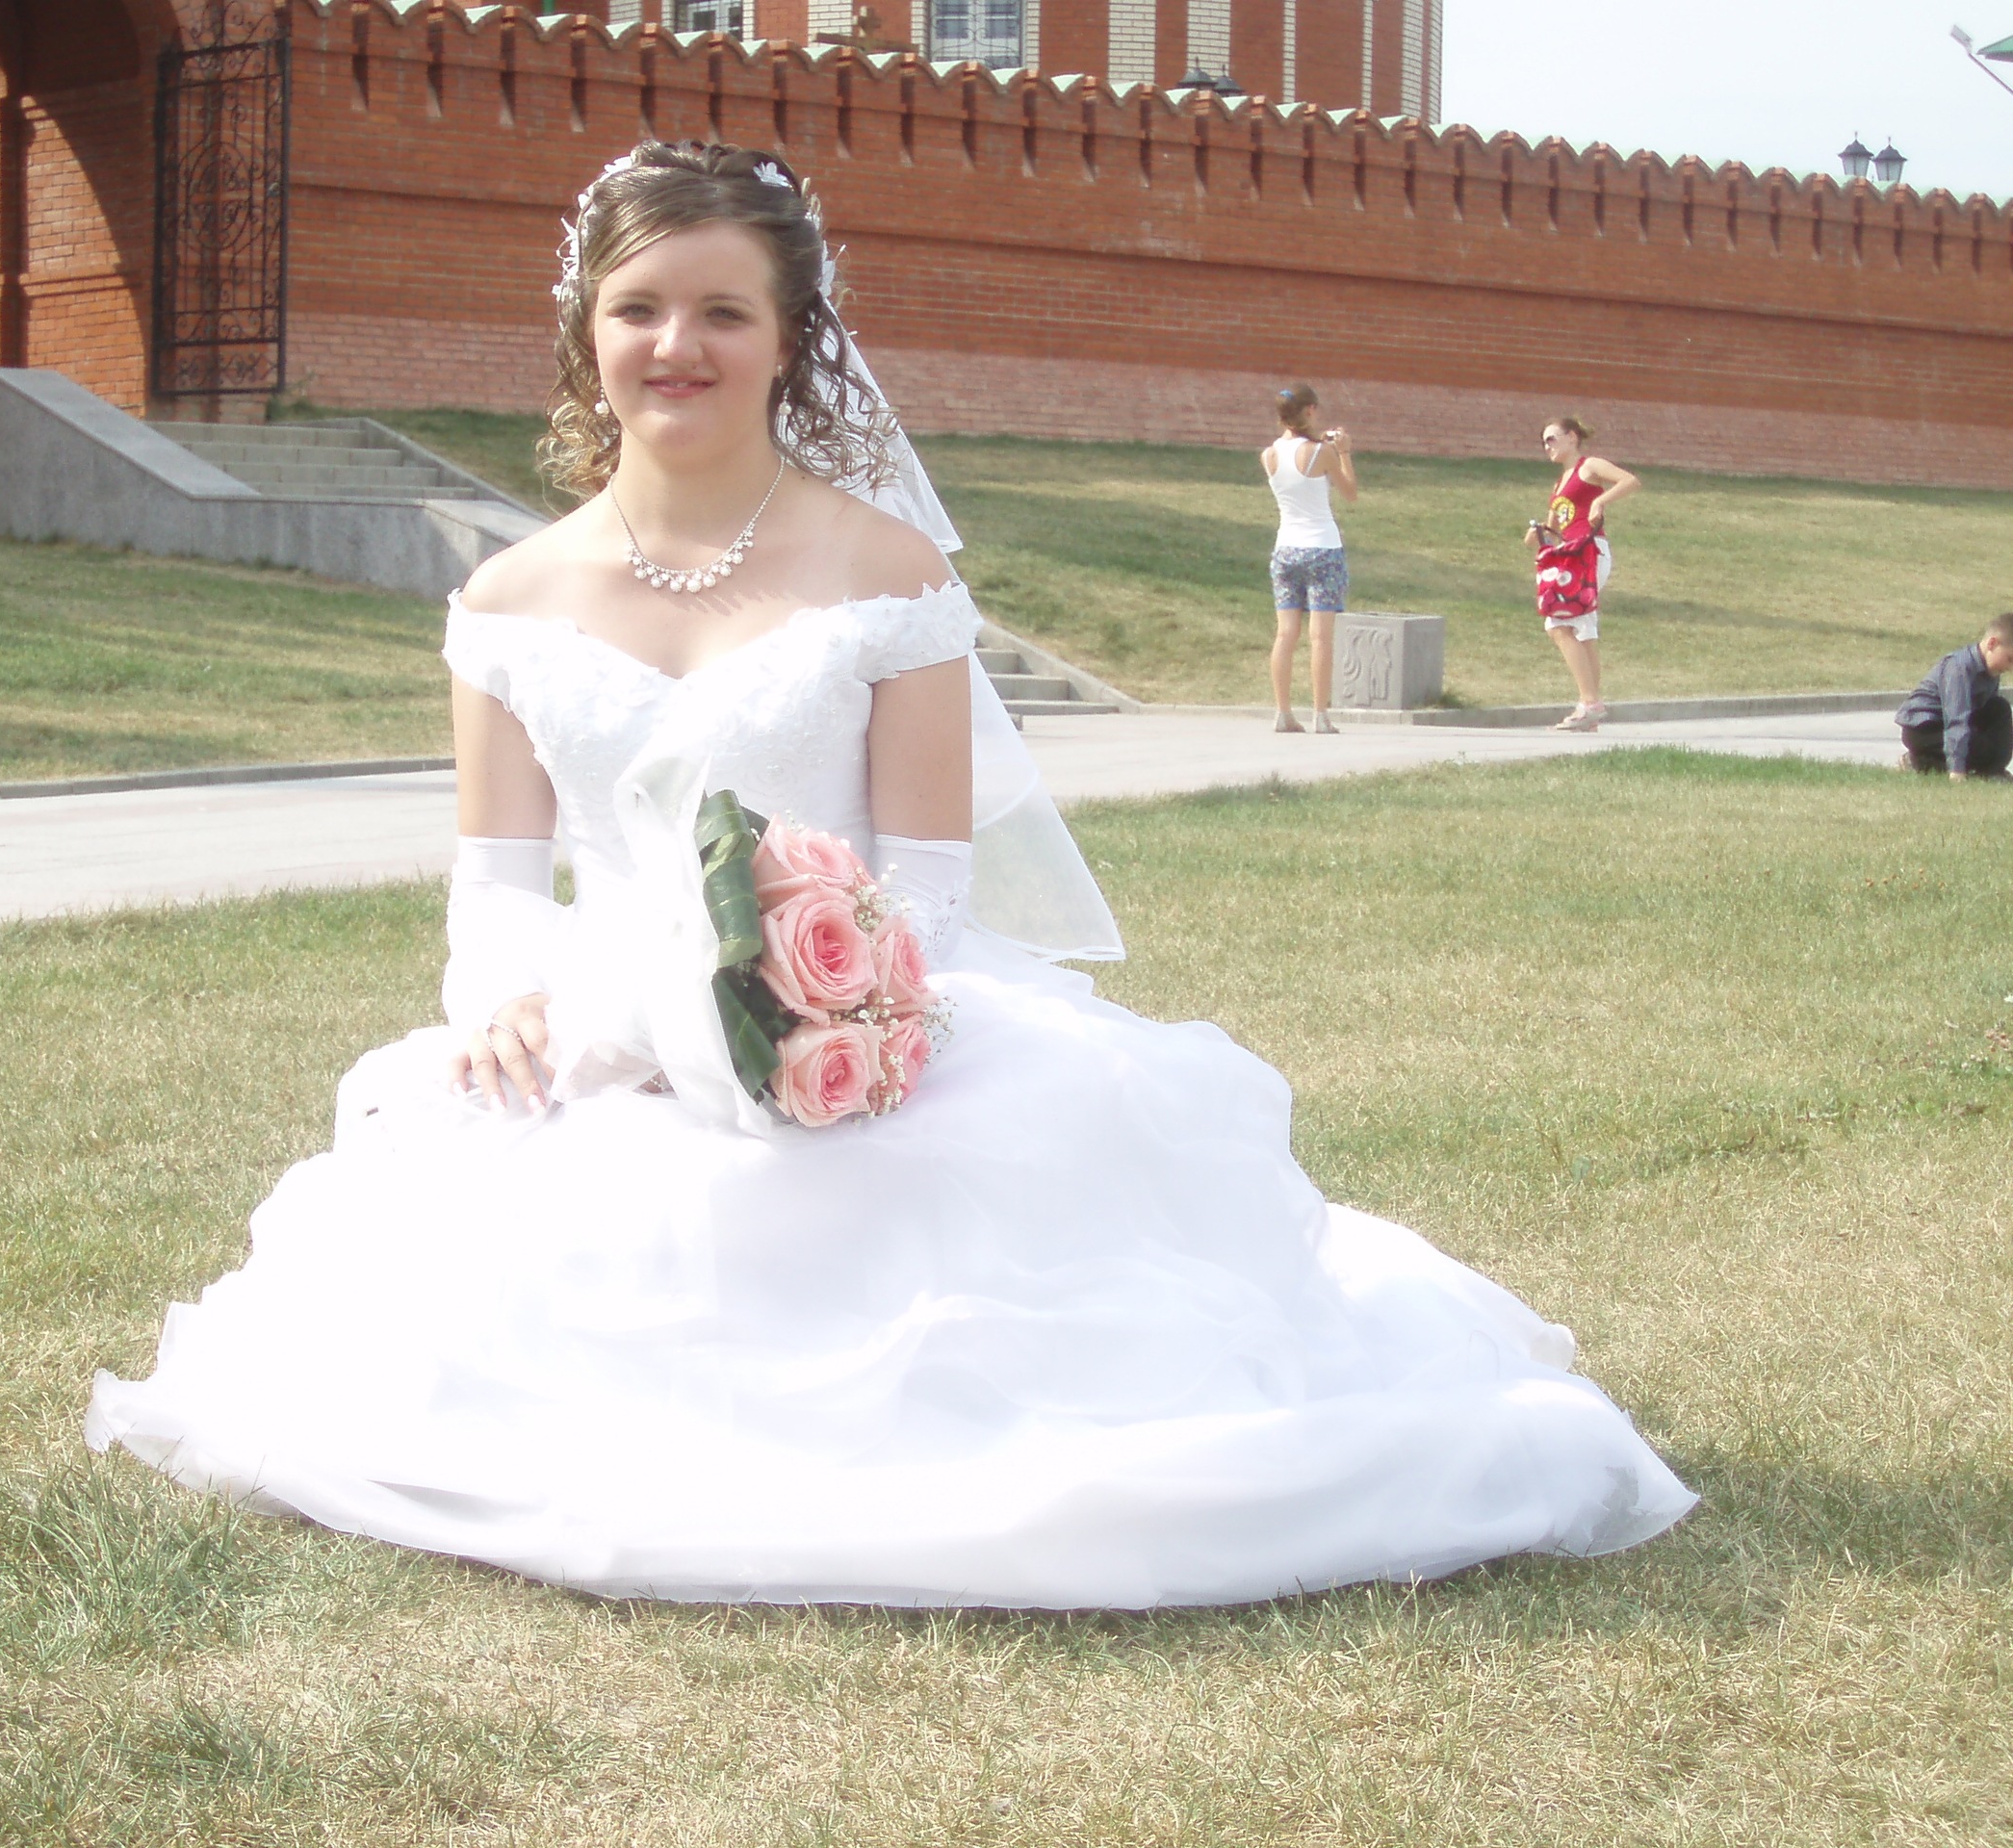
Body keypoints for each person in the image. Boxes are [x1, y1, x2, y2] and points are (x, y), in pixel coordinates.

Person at [88, 141, 1694, 1609]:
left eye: (723, 311)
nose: (676, 346)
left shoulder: (886, 572)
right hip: (590, 1033)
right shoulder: (509, 598)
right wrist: (516, 1007)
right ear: (587, 331)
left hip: (858, 1014)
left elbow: (924, 889)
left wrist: (760, 1017)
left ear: (792, 338)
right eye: (639, 308)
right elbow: (498, 886)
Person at [1525, 416, 1641, 732]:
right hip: (1571, 556)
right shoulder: (1559, 483)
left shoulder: (1589, 466)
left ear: (1572, 437)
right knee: (1583, 630)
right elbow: (1555, 526)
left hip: (1590, 553)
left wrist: (1600, 501)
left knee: (1558, 623)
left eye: (1552, 438)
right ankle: (1589, 708)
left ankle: (1590, 703)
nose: (1547, 446)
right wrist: (1538, 533)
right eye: (1543, 441)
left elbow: (1630, 481)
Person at [1261, 385, 1358, 734]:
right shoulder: (1321, 452)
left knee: (1285, 634)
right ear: (1309, 410)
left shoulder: (1269, 454)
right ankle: (1320, 714)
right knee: (1321, 637)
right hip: (1322, 548)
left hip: (1286, 549)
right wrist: (1344, 452)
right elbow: (1350, 493)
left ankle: (1282, 711)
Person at [1897, 613, 2013, 780]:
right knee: (1981, 749)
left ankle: (1993, 771)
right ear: (1992, 643)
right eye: (2010, 659)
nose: (2010, 668)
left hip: (1954, 726)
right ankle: (1918, 762)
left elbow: (1986, 717)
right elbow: (1956, 719)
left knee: (2000, 708)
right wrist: (1957, 770)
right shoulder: (1959, 668)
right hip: (1924, 727)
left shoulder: (1992, 672)